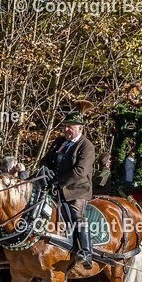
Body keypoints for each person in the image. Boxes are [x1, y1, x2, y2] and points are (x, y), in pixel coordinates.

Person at [40, 107, 96, 269]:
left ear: (80, 128)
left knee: (76, 216)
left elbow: (80, 171)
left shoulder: (86, 146)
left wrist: (58, 181)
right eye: (64, 126)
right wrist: (46, 172)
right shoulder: (59, 142)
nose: (66, 129)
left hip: (77, 190)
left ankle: (86, 252)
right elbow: (45, 160)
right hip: (54, 186)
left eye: (70, 127)